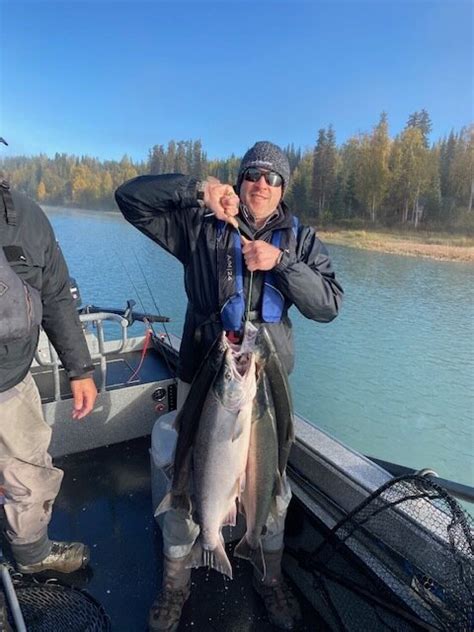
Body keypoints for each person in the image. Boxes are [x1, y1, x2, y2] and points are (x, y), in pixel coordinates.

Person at [115, 141, 343, 631]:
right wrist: (198, 191)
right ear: (240, 179)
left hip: (267, 390)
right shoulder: (202, 221)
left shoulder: (300, 240)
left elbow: (328, 304)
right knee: (186, 473)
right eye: (253, 174)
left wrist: (279, 262)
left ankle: (268, 575)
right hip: (206, 376)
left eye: (273, 178)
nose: (262, 184)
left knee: (269, 483)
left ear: (284, 188)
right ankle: (175, 586)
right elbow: (130, 199)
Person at [0, 167, 97, 574]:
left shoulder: (27, 217)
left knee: (29, 474)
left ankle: (32, 556)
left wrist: (79, 368)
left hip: (11, 382)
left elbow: (56, 295)